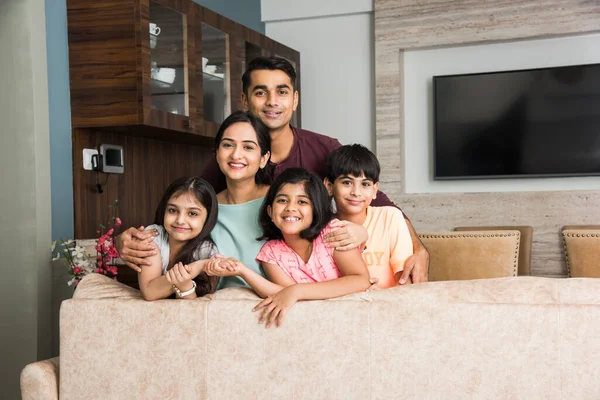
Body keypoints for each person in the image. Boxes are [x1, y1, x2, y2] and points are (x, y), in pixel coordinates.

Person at [117, 56, 428, 282]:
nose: (271, 102)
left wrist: (419, 249)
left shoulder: (324, 148)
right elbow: (185, 213)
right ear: (245, 99)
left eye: (281, 92)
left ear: (294, 100)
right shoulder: (230, 161)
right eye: (260, 92)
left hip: (321, 273)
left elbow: (380, 204)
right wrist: (134, 240)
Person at [205, 168, 371, 328]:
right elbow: (284, 293)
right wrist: (242, 270)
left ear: (315, 209)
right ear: (270, 211)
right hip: (312, 325)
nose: (290, 208)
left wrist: (298, 291)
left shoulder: (334, 233)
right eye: (282, 200)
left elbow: (360, 280)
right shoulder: (270, 254)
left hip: (353, 319)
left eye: (302, 201)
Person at [324, 144, 414, 288]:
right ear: (329, 186)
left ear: (374, 190)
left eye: (365, 184)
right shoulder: (323, 229)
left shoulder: (390, 217)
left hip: (391, 303)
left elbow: (404, 280)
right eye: (347, 182)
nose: (356, 192)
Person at [138, 176, 220, 301]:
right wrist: (198, 266)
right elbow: (149, 292)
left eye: (192, 213)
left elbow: (193, 308)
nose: (180, 220)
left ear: (207, 218)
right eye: (173, 210)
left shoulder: (207, 251)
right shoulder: (154, 235)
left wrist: (185, 286)